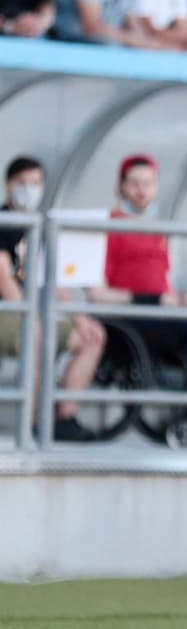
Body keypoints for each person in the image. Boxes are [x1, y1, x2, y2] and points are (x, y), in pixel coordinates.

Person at [93, 153, 187, 438]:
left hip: (166, 311)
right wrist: (152, 301)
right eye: (134, 183)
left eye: (148, 183)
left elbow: (167, 282)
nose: (141, 190)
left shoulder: (160, 230)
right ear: (121, 187)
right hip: (134, 317)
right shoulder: (106, 226)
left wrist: (182, 298)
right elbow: (99, 294)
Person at [0, 156, 105, 442]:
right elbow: (4, 277)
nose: (29, 190)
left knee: (91, 338)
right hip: (9, 310)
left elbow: (55, 279)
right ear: (7, 185)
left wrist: (80, 320)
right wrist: (29, 317)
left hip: (35, 312)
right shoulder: (3, 222)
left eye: (35, 183)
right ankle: (33, 422)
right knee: (37, 338)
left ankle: (64, 417)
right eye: (22, 183)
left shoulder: (42, 227)